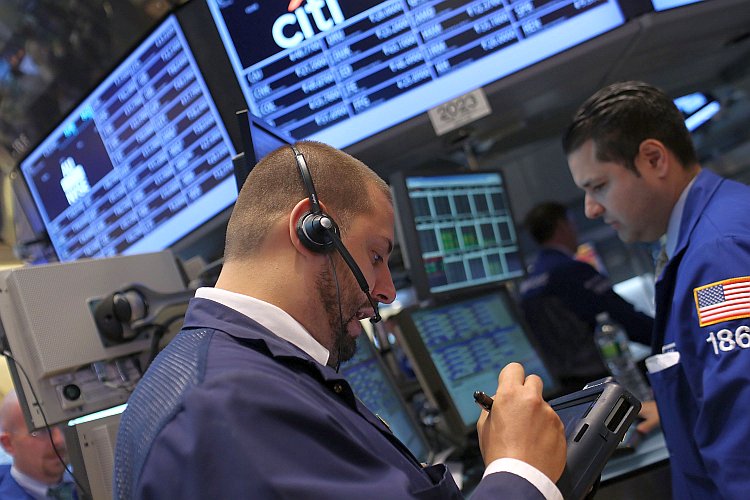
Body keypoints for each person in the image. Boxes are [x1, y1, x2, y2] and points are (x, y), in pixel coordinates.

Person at [113, 141, 566, 499]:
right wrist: (519, 470)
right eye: (375, 256)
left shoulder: (248, 376)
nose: (386, 290)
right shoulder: (228, 405)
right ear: (310, 230)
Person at [563, 80, 750, 499]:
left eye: (598, 187)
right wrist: (670, 407)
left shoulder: (717, 256)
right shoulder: (706, 233)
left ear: (653, 159)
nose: (592, 209)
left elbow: (746, 433)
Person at [519, 202, 654, 391]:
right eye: (572, 223)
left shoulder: (527, 287)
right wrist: (663, 334)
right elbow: (621, 316)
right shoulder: (571, 271)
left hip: (567, 389)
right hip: (603, 381)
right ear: (562, 226)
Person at [0, 390, 76, 499]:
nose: (59, 440)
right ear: (8, 444)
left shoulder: (94, 478)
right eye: (42, 431)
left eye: (63, 425)